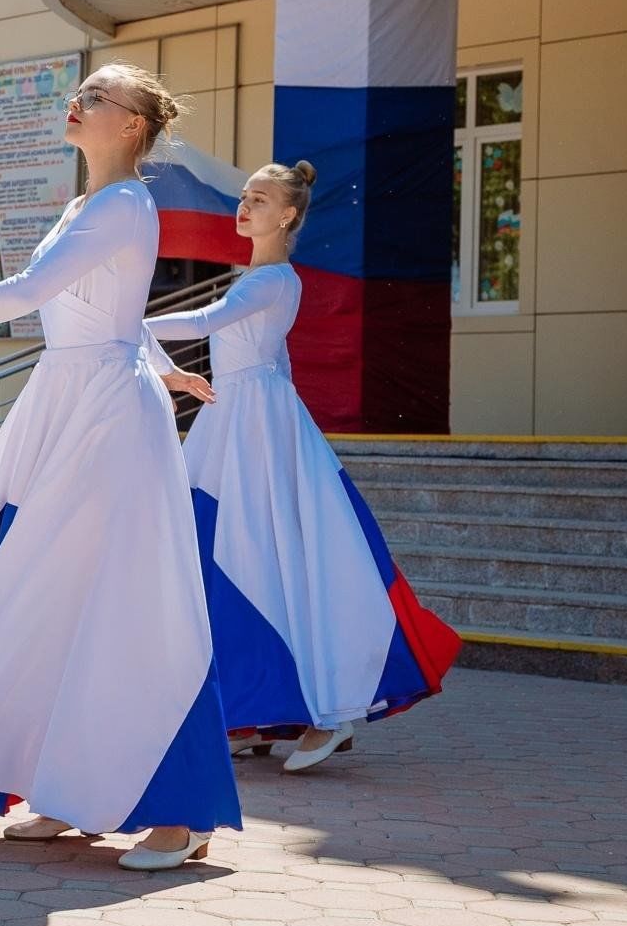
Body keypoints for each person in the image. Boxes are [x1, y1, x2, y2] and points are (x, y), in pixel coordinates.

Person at [0, 62, 240, 870]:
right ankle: (63, 788)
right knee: (49, 597)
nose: (80, 101)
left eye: (98, 96)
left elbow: (35, 289)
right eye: (83, 90)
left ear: (131, 125)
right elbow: (116, 313)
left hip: (103, 416)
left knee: (126, 604)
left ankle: (181, 807)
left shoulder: (128, 202)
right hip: (66, 400)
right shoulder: (85, 205)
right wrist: (168, 369)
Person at [144, 162, 462, 774]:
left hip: (252, 426)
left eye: (259, 199)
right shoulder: (258, 278)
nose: (244, 206)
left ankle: (329, 710)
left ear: (287, 215)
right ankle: (260, 712)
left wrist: (121, 323)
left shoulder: (271, 280)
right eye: (244, 197)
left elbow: (205, 325)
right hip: (238, 419)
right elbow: (275, 362)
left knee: (269, 560)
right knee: (239, 560)